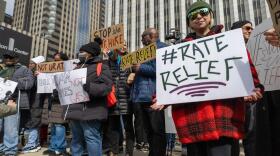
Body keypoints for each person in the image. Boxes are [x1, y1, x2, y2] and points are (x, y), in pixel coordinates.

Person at [152, 1, 264, 156]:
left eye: (203, 12)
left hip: (223, 119)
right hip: (192, 121)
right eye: (193, 15)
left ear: (211, 16)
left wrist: (254, 88)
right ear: (189, 23)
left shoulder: (230, 41)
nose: (199, 17)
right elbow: (171, 82)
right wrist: (161, 98)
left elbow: (249, 73)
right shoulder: (178, 51)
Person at [64, 41, 113, 156]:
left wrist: (89, 86)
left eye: (82, 51)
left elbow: (106, 88)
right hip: (75, 108)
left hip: (92, 109)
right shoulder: (76, 67)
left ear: (91, 53)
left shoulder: (102, 67)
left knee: (91, 137)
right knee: (76, 139)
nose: (80, 53)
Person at [130, 28, 167, 156]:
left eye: (143, 37)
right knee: (149, 131)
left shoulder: (162, 48)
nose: (141, 40)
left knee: (157, 131)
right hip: (141, 96)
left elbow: (161, 69)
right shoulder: (144, 52)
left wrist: (140, 67)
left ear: (151, 36)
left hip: (153, 96)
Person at [102, 44, 135, 156]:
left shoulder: (131, 58)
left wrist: (133, 74)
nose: (123, 46)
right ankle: (114, 151)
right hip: (113, 99)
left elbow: (137, 70)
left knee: (128, 128)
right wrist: (109, 53)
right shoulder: (110, 60)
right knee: (113, 127)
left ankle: (129, 153)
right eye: (121, 44)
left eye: (125, 44)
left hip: (127, 98)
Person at [0, 51, 34, 156]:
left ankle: (10, 150)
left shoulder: (24, 69)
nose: (8, 59)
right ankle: (1, 147)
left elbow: (30, 84)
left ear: (17, 59)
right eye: (6, 57)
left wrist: (13, 81)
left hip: (12, 102)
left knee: (10, 128)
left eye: (11, 58)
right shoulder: (0, 68)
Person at [231, 20, 256, 156]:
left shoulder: (246, 50)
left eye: (251, 28)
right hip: (233, 103)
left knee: (252, 138)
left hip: (248, 101)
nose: (250, 31)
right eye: (246, 28)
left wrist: (257, 88)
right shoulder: (227, 49)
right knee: (232, 139)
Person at [41, 52, 69, 156]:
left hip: (60, 101)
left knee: (59, 125)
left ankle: (60, 148)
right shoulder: (50, 71)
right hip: (50, 100)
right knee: (53, 124)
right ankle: (53, 147)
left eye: (57, 60)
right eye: (54, 60)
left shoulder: (67, 71)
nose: (55, 62)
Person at [20, 56, 45, 153]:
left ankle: (32, 144)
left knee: (34, 122)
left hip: (37, 102)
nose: (30, 65)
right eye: (29, 63)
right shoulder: (29, 74)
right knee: (29, 122)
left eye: (32, 63)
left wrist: (39, 77)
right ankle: (35, 143)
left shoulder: (42, 75)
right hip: (29, 102)